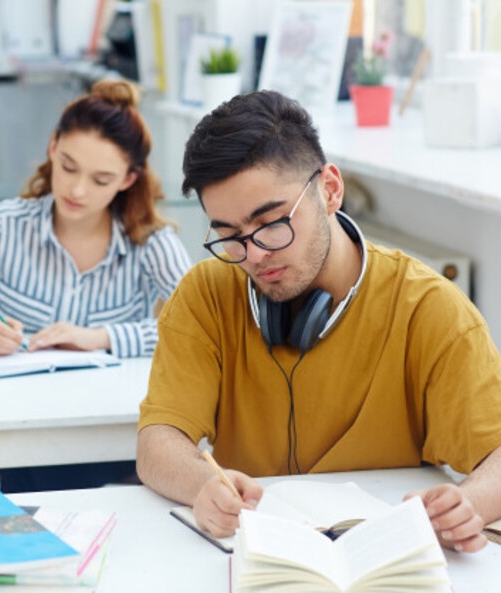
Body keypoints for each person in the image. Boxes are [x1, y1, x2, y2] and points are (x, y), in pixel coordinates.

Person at [136, 90, 501, 553]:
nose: (255, 255)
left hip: (383, 559)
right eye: (230, 237)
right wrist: (200, 485)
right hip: (253, 561)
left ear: (329, 189)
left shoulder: (430, 309)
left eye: (271, 222)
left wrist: (468, 504)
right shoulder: (205, 294)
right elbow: (157, 442)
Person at [0, 79, 192, 491]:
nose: (77, 190)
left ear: (128, 179)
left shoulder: (151, 240)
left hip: (113, 433)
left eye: (101, 179)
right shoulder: (1, 226)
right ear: (52, 147)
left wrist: (101, 338)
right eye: (68, 167)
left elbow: (200, 329)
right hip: (22, 430)